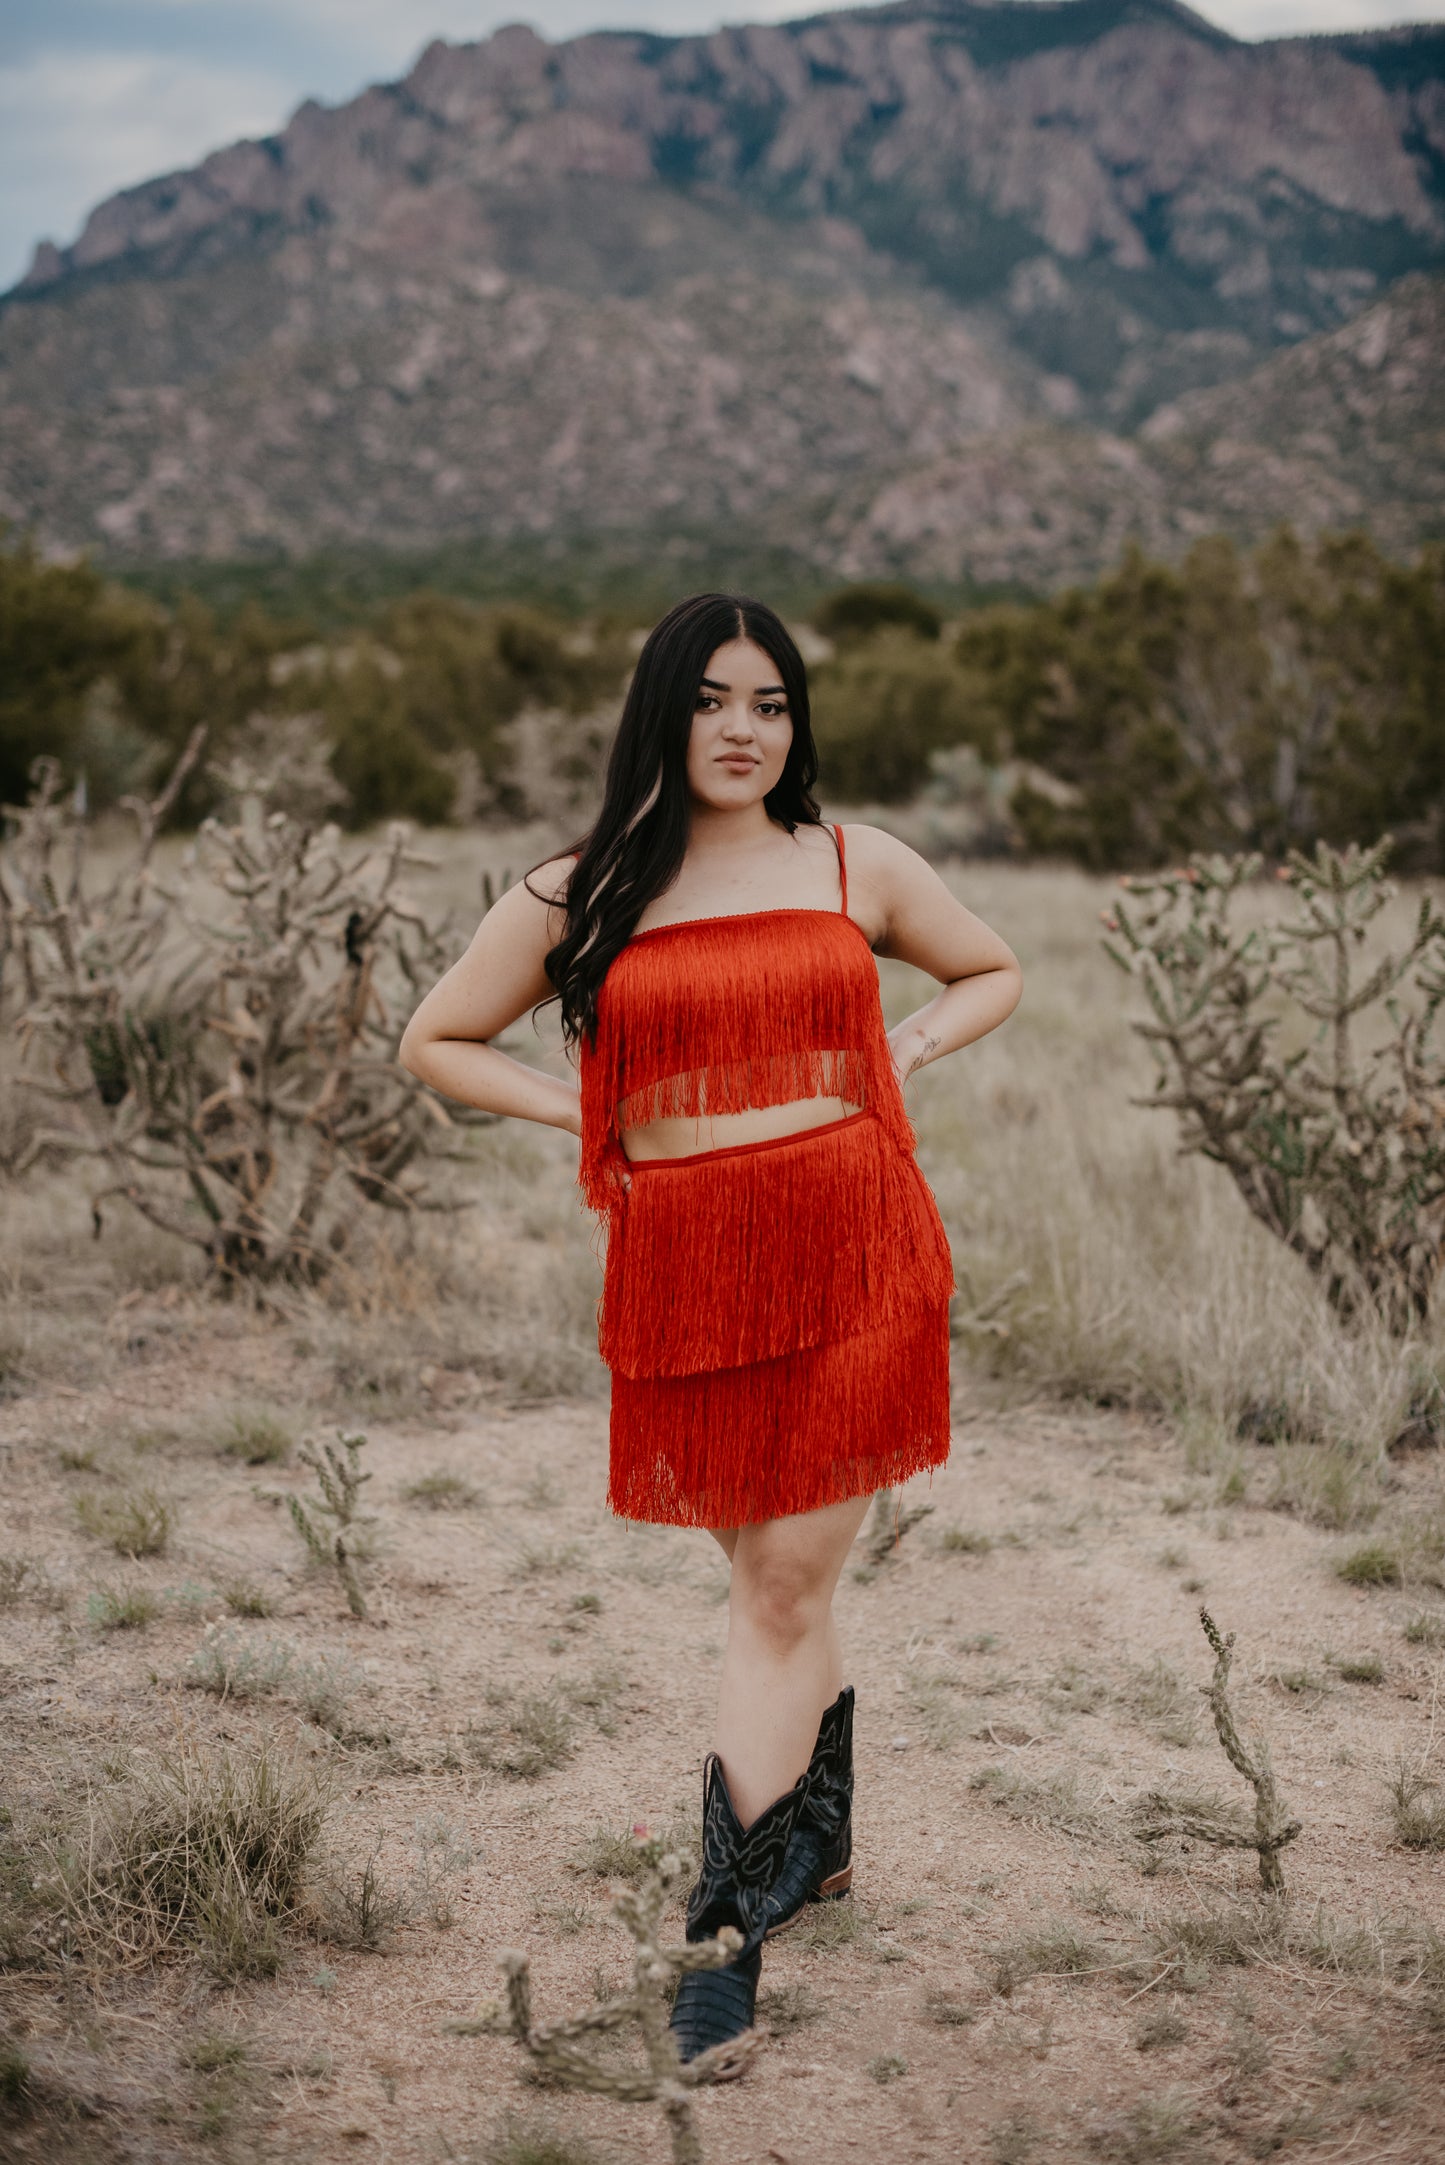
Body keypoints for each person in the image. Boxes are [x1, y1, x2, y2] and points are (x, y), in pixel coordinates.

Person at [398, 591, 1022, 2067]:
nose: (744, 729)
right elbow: (434, 1037)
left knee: (781, 1593)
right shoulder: (580, 886)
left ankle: (721, 1939)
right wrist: (586, 1112)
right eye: (714, 700)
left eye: (772, 704)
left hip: (854, 1239)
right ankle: (821, 1839)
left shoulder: (854, 862)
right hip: (684, 1270)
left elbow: (988, 968)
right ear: (662, 712)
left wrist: (902, 1047)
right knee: (765, 1571)